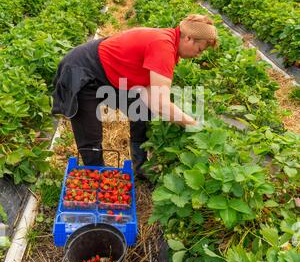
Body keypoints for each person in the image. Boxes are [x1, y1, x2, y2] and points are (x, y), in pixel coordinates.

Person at [52, 14, 217, 178]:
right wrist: (193, 124)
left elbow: (153, 97)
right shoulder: (163, 46)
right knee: (90, 136)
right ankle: (98, 179)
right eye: (200, 49)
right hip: (82, 70)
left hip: (112, 75)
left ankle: (141, 167)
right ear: (188, 38)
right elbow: (161, 104)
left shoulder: (169, 44)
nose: (198, 55)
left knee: (142, 111)